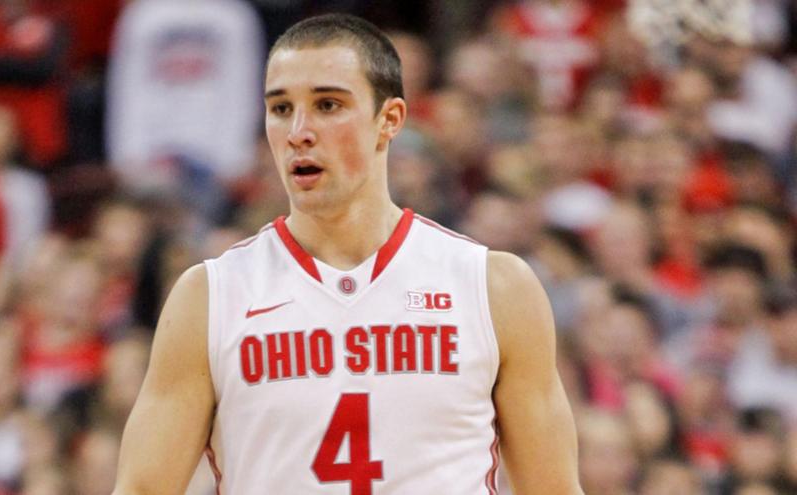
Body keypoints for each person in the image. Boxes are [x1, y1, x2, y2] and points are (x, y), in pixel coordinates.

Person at [114, 13, 582, 495]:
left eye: (328, 105)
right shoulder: (210, 296)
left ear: (389, 120)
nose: (299, 131)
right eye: (281, 108)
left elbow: (554, 489)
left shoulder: (492, 286)